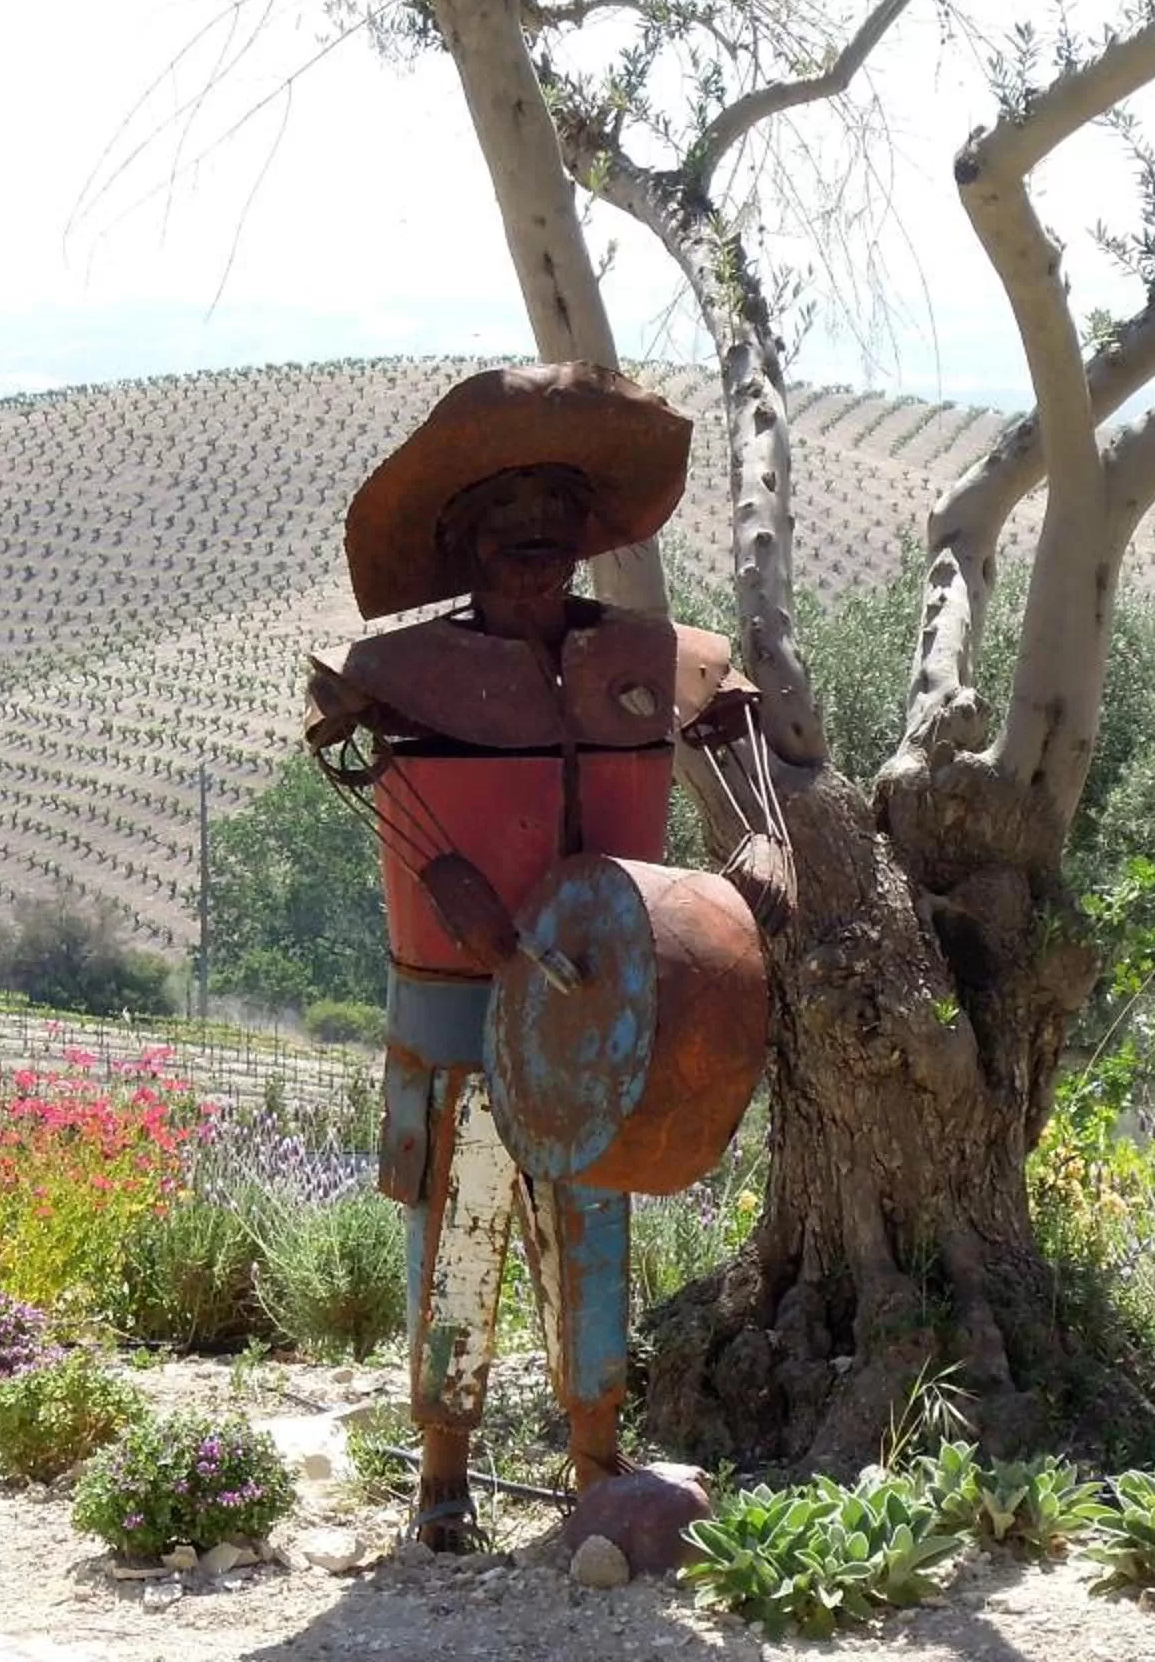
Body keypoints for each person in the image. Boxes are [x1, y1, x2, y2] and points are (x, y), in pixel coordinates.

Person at [302, 362, 791, 1551]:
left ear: (583, 536)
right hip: (463, 1003)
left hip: (617, 1003)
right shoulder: (402, 676)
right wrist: (442, 874)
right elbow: (356, 761)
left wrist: (763, 842)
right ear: (461, 541)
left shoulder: (654, 658)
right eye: (505, 523)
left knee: (594, 1218)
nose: (534, 542)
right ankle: (443, 1477)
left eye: (554, 520)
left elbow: (737, 742)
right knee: (456, 1222)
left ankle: (597, 1455)